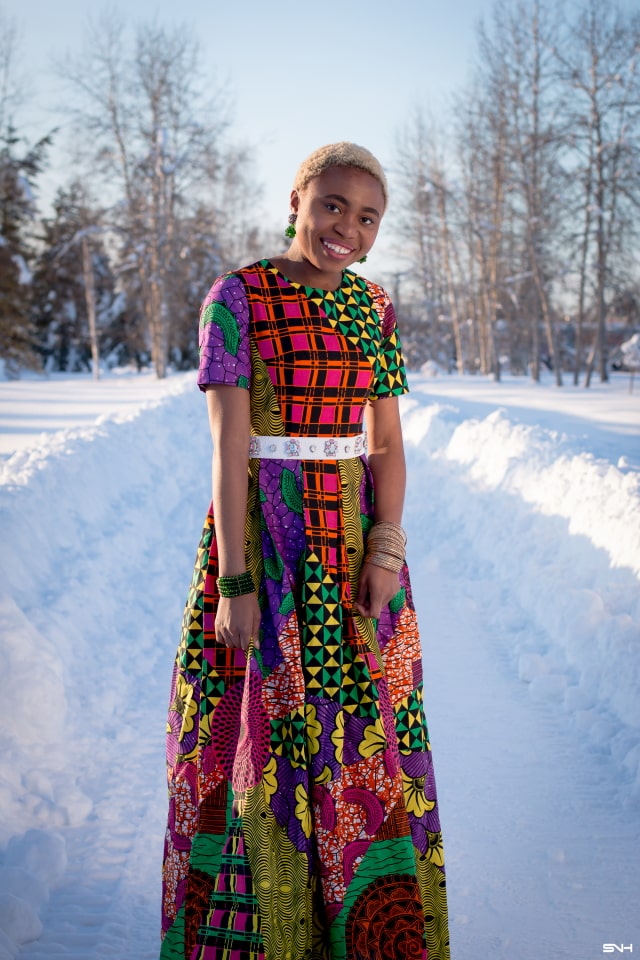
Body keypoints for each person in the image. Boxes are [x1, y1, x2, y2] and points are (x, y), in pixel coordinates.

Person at [161, 142, 450, 960]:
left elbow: (387, 442)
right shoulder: (238, 296)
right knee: (263, 738)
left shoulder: (373, 307)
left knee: (361, 740)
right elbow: (227, 450)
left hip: (354, 545)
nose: (346, 228)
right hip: (265, 540)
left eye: (367, 217)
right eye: (332, 205)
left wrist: (386, 550)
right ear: (297, 198)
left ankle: (363, 931)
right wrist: (235, 579)